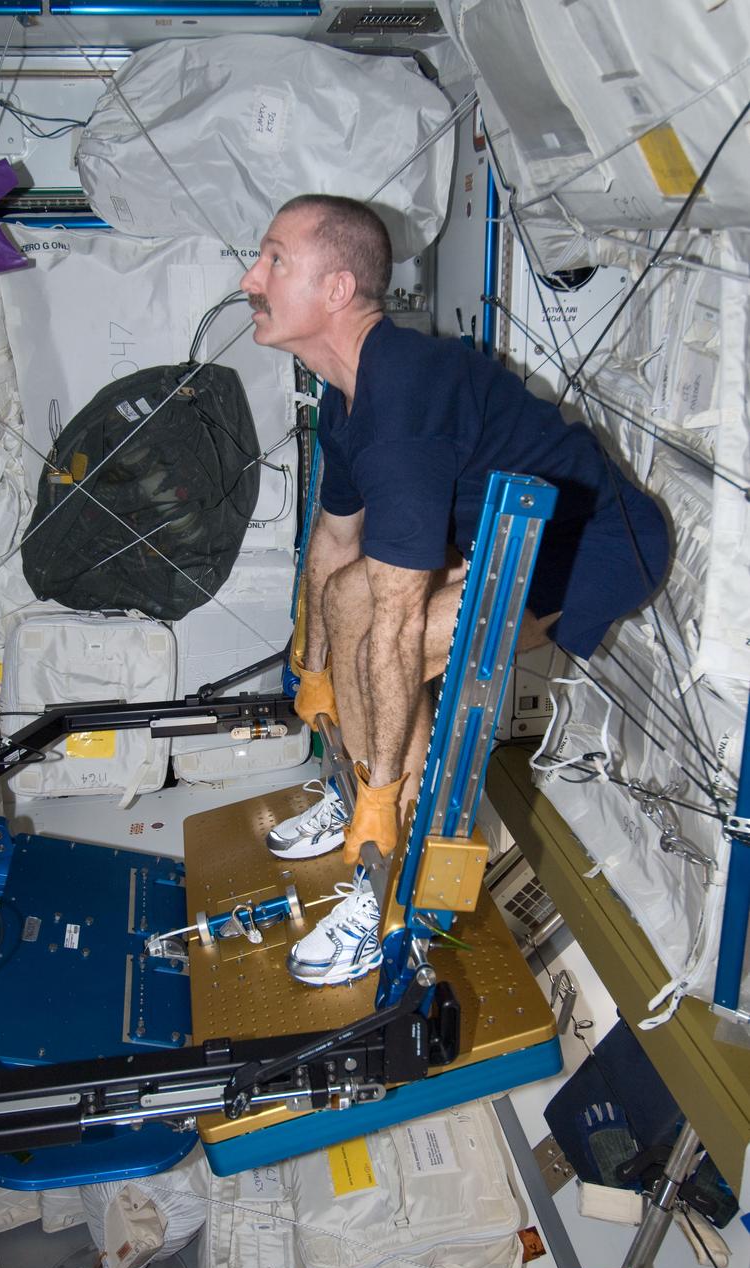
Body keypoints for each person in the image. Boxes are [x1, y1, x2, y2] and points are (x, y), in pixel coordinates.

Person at [239, 194, 669, 986]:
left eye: (273, 260)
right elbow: (333, 549)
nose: (249, 279)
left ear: (337, 290)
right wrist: (309, 668)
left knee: (383, 645)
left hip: (597, 544)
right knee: (347, 609)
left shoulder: (401, 406)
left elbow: (399, 631)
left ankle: (380, 874)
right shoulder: (346, 395)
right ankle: (364, 793)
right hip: (498, 534)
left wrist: (381, 793)